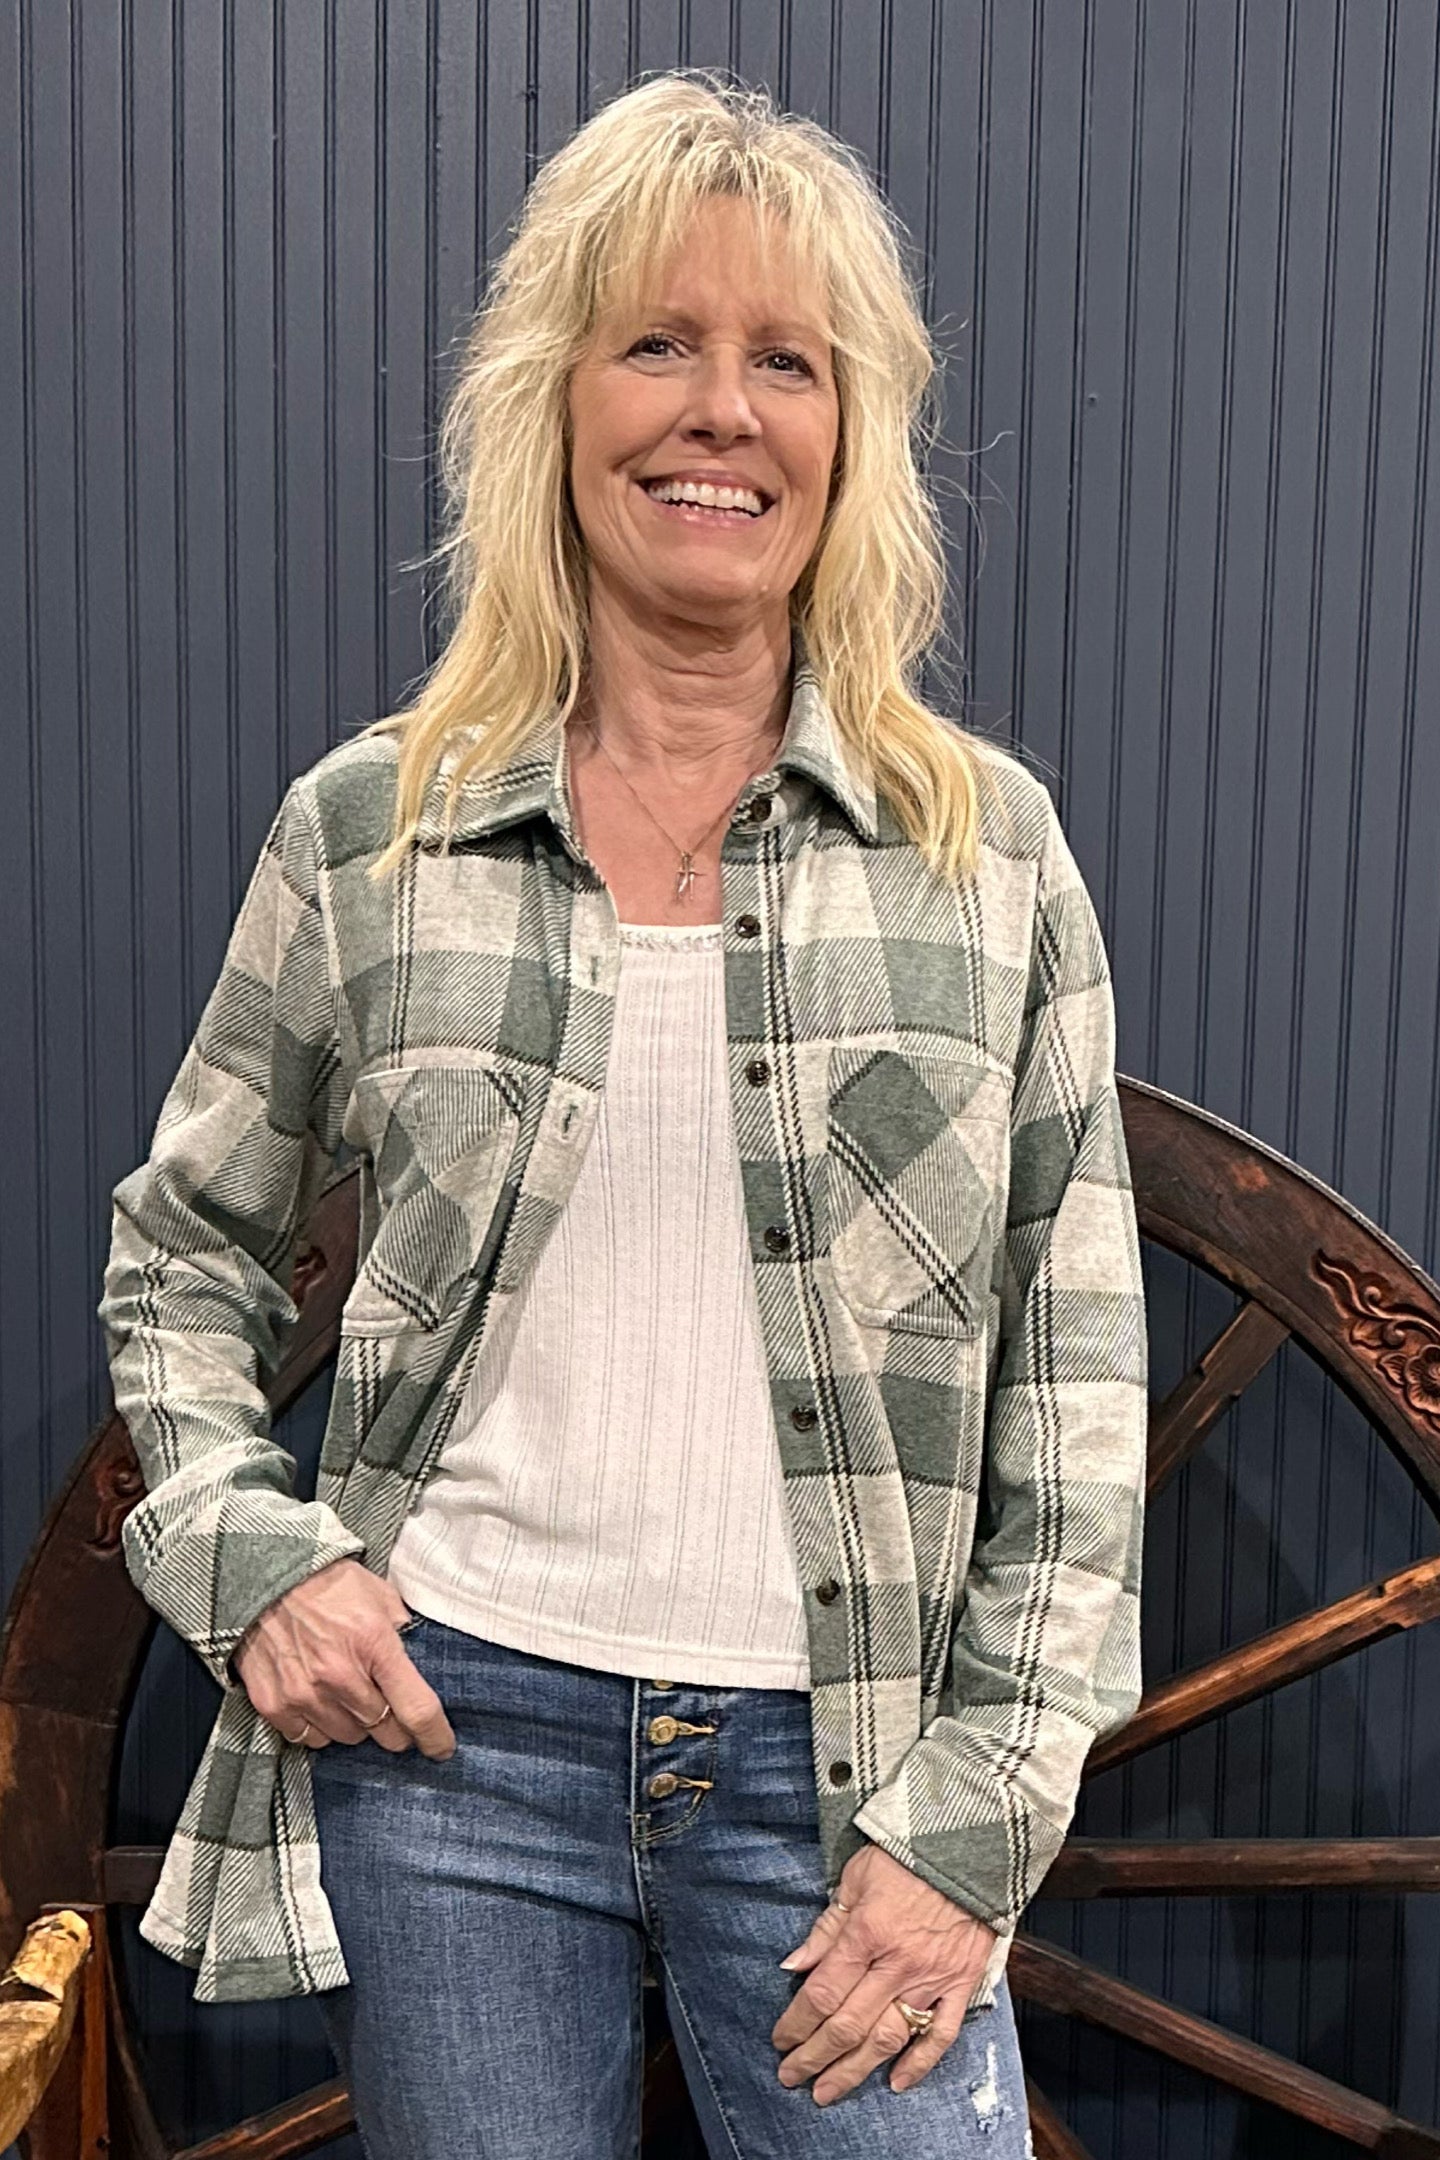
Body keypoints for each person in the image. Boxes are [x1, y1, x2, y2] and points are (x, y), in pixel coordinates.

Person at [99, 70, 1147, 2159]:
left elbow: (1081, 1374)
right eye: (657, 342)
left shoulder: (984, 854)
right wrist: (250, 1559)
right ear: (554, 404)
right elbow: (182, 1257)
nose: (720, 413)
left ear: (853, 434)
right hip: (454, 1756)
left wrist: (979, 1815)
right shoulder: (375, 832)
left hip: (854, 1777)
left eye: (788, 362)